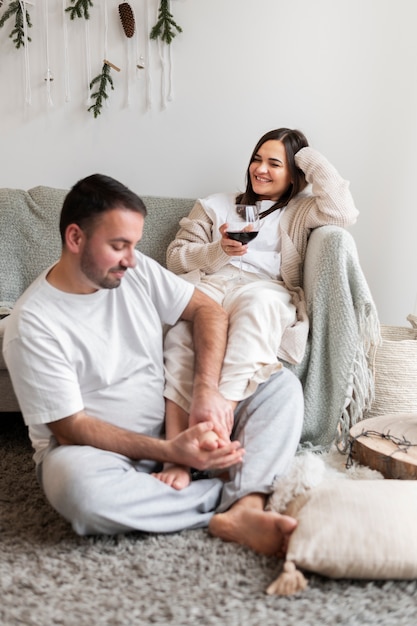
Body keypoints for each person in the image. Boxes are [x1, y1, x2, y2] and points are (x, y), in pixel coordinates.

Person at [2, 173, 304, 557]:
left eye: (134, 244)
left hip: (172, 422)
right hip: (97, 454)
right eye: (118, 245)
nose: (131, 258)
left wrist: (205, 391)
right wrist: (174, 453)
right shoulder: (32, 323)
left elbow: (206, 310)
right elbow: (71, 428)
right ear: (75, 238)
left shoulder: (132, 269)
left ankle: (239, 508)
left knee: (281, 389)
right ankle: (237, 497)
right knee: (78, 491)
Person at [156, 127, 359, 490]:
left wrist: (305, 157)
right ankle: (176, 454)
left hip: (264, 289)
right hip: (211, 284)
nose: (260, 169)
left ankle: (219, 420)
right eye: (256, 159)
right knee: (183, 333)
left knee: (257, 308)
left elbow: (343, 214)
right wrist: (218, 250)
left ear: (293, 174)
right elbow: (175, 259)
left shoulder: (299, 211)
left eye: (274, 163)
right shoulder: (214, 204)